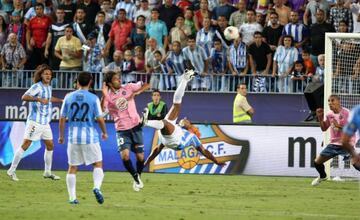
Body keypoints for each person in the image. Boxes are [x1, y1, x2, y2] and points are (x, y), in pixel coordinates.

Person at [142, 69, 225, 168]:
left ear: (189, 125)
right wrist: (146, 162)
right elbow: (158, 149)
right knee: (177, 103)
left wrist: (216, 161)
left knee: (165, 122)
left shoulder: (193, 138)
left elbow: (204, 151)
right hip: (168, 136)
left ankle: (146, 123)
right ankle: (185, 79)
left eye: (187, 120)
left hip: (176, 142)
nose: (185, 119)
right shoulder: (178, 126)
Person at [7, 64, 63, 181]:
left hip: (45, 123)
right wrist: (38, 99)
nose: (48, 75)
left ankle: (47, 172)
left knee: (50, 145)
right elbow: (24, 97)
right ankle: (11, 170)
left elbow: (49, 98)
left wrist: (61, 100)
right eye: (45, 74)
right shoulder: (37, 86)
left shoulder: (48, 87)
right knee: (26, 144)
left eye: (49, 74)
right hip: (35, 122)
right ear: (41, 75)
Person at [59, 72, 107, 205]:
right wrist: (104, 132)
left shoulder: (68, 97)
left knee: (72, 167)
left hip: (73, 138)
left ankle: (72, 198)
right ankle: (96, 187)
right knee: (97, 164)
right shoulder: (93, 98)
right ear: (90, 82)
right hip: (90, 137)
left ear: (77, 82)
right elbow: (100, 118)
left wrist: (61, 136)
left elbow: (62, 118)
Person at [101, 71, 150, 192]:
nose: (119, 80)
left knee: (140, 157)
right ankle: (135, 177)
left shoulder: (128, 87)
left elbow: (146, 84)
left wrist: (137, 92)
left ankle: (137, 177)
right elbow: (102, 110)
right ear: (110, 83)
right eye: (116, 79)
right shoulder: (108, 97)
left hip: (136, 126)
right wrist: (104, 92)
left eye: (118, 78)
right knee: (125, 155)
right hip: (122, 130)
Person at [312, 95, 356, 186]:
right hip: (333, 144)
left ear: (339, 101)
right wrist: (320, 118)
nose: (330, 103)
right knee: (317, 162)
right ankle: (323, 176)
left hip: (346, 143)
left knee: (356, 163)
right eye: (329, 101)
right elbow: (324, 128)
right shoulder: (329, 114)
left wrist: (338, 126)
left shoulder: (347, 113)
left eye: (332, 100)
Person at [341, 106, 360, 171]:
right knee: (355, 161)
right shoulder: (356, 111)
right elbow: (344, 141)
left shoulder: (356, 111)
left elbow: (344, 141)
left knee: (354, 161)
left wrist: (354, 154)